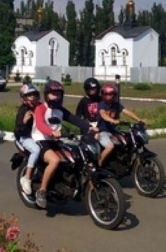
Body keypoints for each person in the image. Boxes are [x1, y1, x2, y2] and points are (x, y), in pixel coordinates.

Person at [32, 80, 93, 209]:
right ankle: (41, 191)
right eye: (53, 94)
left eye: (58, 94)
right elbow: (40, 124)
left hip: (55, 140)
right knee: (54, 161)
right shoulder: (41, 108)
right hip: (41, 139)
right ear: (47, 95)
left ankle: (66, 184)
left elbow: (74, 119)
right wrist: (51, 132)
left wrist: (89, 127)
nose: (56, 97)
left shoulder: (60, 110)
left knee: (74, 155)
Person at [97, 83, 146, 167]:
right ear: (103, 95)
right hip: (102, 132)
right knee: (110, 146)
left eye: (111, 94)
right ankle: (99, 162)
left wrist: (139, 119)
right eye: (107, 94)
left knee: (125, 142)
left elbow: (127, 112)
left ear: (114, 95)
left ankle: (120, 162)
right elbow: (103, 115)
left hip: (113, 132)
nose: (109, 97)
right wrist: (112, 120)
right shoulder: (102, 104)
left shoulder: (116, 105)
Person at [14, 83, 42, 196]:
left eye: (35, 95)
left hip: (39, 136)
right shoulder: (23, 110)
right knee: (36, 150)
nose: (33, 97)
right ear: (24, 98)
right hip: (25, 137)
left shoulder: (40, 107)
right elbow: (18, 129)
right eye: (30, 95)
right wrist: (24, 121)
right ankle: (27, 177)